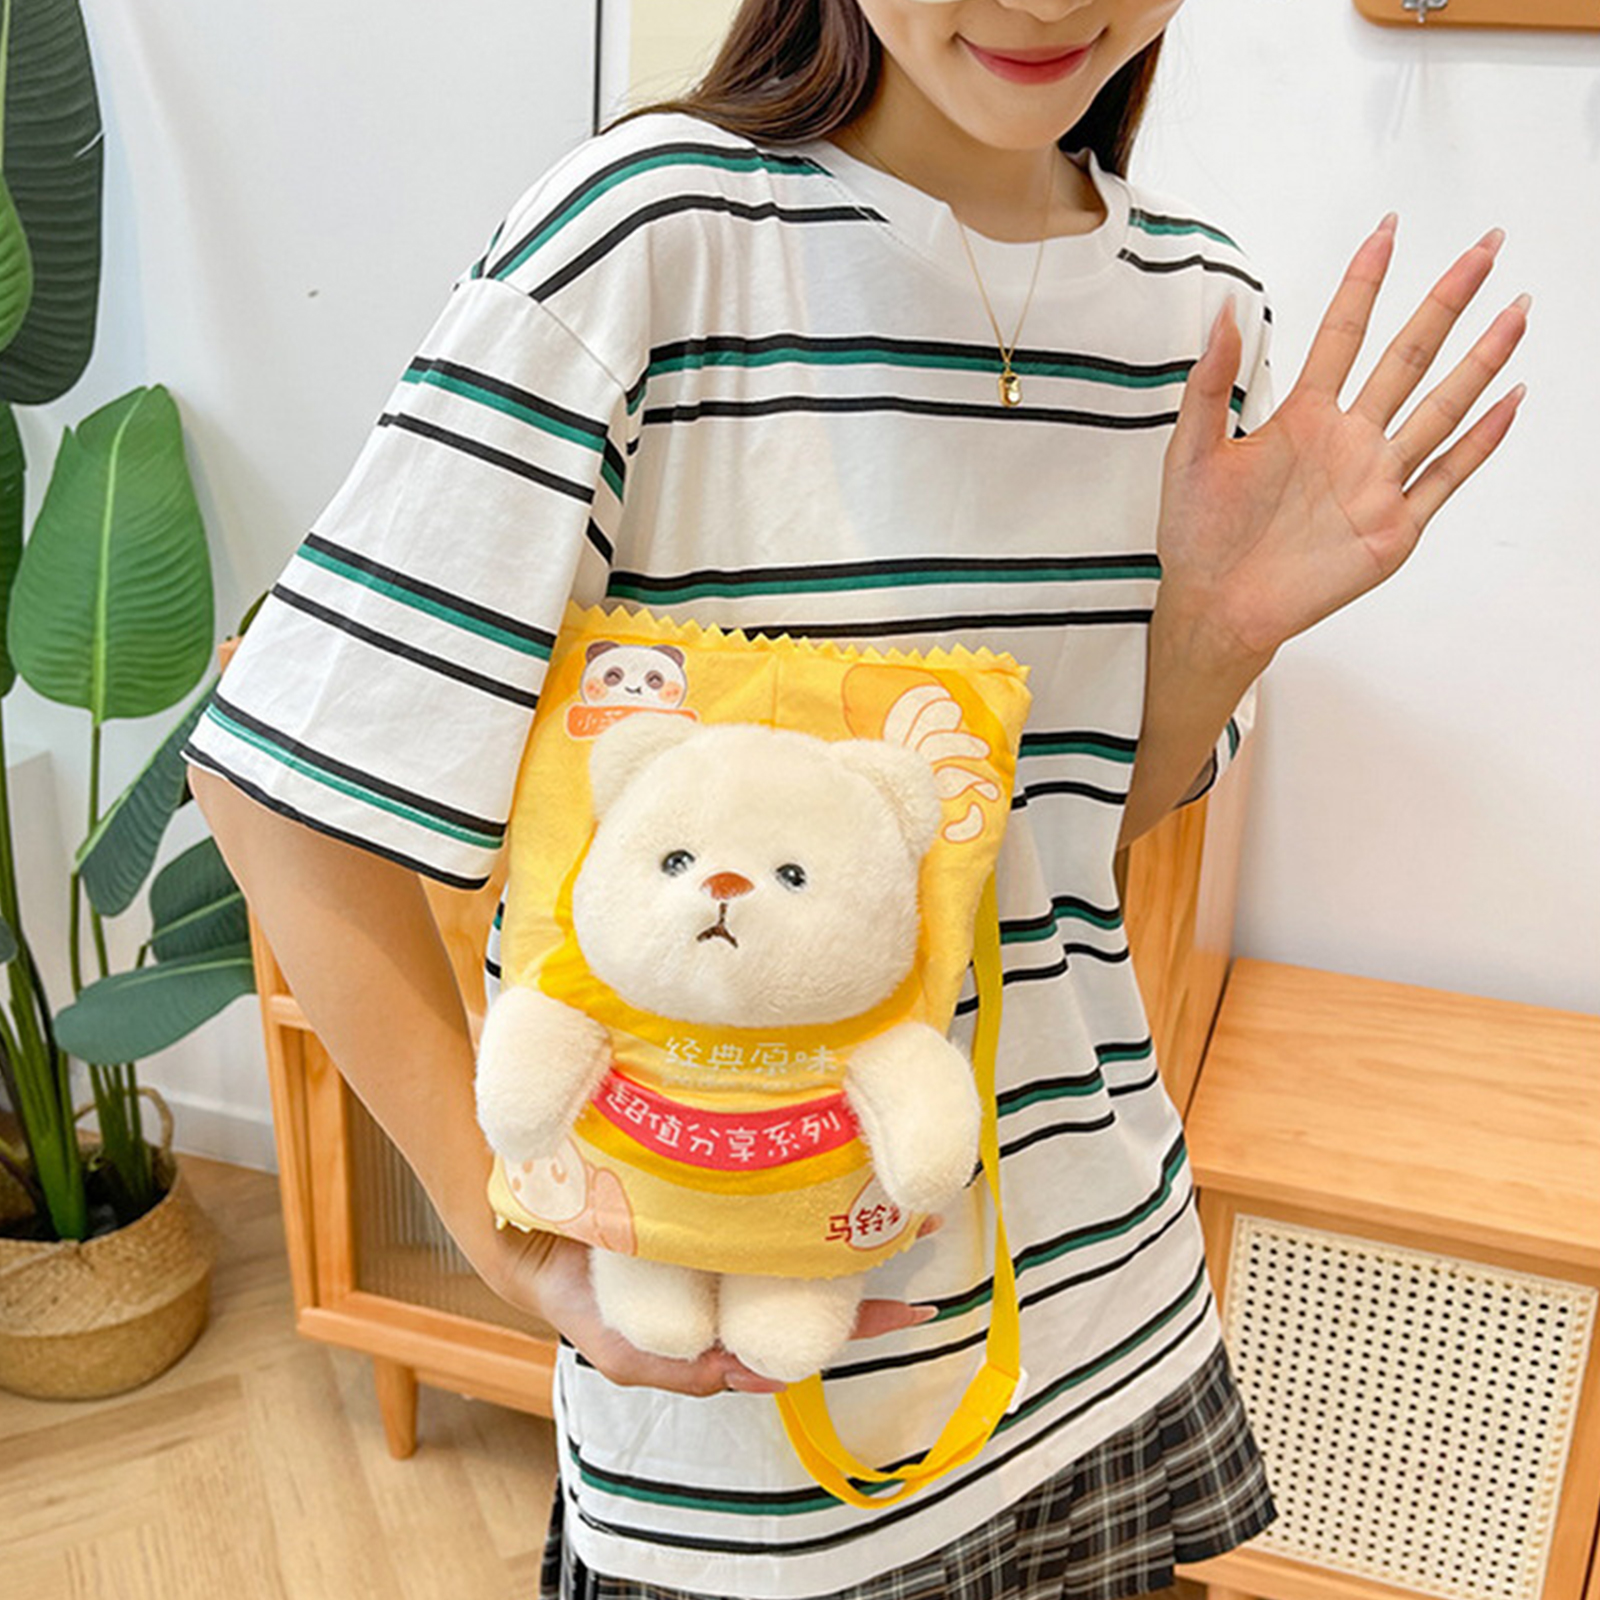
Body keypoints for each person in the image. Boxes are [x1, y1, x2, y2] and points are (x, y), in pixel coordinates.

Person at [188, 1, 1527, 1596]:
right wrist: (507, 1241)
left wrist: (1217, 642)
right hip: (757, 1422)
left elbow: (1068, 840)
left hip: (1104, 1317)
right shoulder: (655, 242)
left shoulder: (1197, 310)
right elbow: (274, 784)